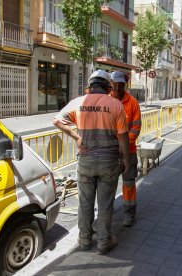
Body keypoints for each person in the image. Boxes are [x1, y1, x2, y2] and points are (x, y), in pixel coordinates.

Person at [53, 69, 130, 255]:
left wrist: (76, 136)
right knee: (105, 204)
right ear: (107, 87)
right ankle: (104, 243)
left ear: (91, 85)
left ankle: (85, 241)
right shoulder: (115, 105)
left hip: (85, 162)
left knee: (85, 204)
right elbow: (123, 137)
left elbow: (57, 120)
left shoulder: (78, 102)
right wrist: (126, 159)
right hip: (109, 162)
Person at [110, 71, 141, 227]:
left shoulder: (133, 103)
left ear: (125, 85)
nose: (117, 88)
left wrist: (124, 144)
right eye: (114, 85)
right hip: (110, 153)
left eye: (120, 85)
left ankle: (129, 214)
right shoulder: (107, 101)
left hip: (129, 151)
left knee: (128, 184)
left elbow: (136, 127)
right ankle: (107, 215)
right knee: (108, 184)